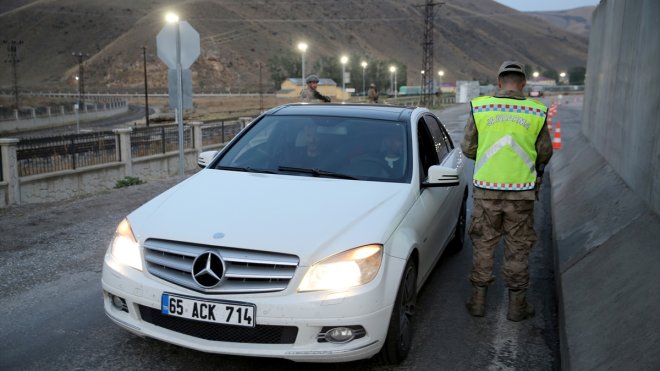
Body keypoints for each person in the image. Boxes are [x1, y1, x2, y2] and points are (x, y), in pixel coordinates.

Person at [461, 61, 553, 322]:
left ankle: (478, 302)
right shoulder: (536, 112)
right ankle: (517, 307)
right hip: (521, 194)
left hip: (486, 192)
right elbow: (545, 152)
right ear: (523, 83)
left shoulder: (481, 108)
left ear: (499, 82)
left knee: (484, 244)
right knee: (518, 248)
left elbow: (468, 148)